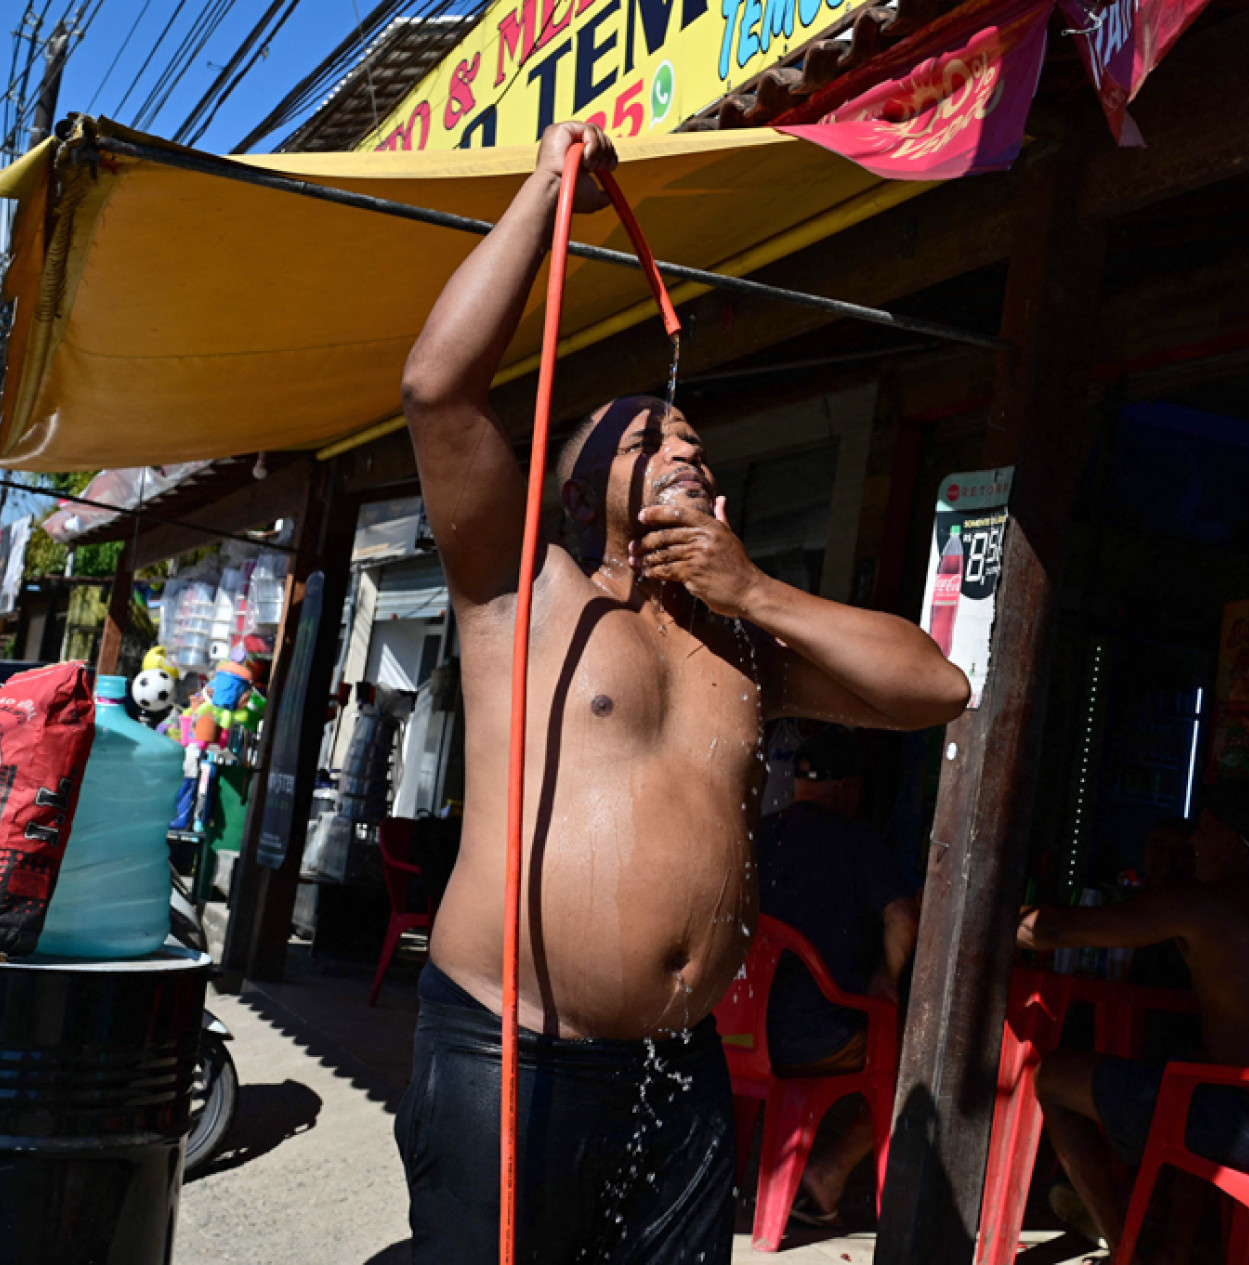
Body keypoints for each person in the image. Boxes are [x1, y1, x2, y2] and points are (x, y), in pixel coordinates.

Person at [393, 121, 971, 1265]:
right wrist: (544, 196)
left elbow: (937, 688)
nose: (688, 456)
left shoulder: (742, 637)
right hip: (508, 1047)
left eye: (699, 449)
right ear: (572, 488)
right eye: (652, 441)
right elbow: (437, 386)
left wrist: (757, 588)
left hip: (677, 1057)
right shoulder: (524, 591)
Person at [1016, 785, 1249, 1250]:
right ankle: (1168, 1237)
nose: (1193, 842)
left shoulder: (1209, 904)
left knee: (1055, 1076)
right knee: (1178, 1068)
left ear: (1227, 836)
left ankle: (1127, 1249)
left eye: (1202, 829)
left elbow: (1052, 929)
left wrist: (975, 912)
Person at [755, 726, 920, 1227]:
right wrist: (885, 979)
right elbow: (902, 917)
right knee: (925, 1058)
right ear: (850, 787)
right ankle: (829, 1172)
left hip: (735, 1038)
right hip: (817, 1041)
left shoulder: (757, 834)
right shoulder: (858, 841)